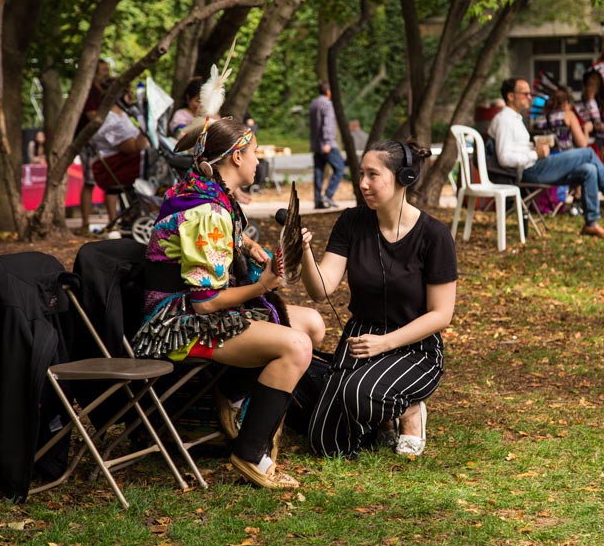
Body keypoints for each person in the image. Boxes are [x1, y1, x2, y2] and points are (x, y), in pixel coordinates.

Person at [131, 117, 324, 489]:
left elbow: (227, 250)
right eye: (254, 154)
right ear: (236, 157)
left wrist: (256, 250)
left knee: (312, 324)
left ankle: (234, 393)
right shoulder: (208, 211)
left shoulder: (208, 192)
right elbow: (205, 303)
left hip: (195, 309)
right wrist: (262, 285)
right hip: (176, 322)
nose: (257, 162)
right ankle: (250, 453)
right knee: (297, 346)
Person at [301, 140, 457, 458]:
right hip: (361, 340)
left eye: (373, 175)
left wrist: (386, 343)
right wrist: (303, 251)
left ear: (405, 178)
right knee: (324, 443)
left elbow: (441, 315)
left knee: (357, 392)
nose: (363, 184)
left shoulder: (434, 235)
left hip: (416, 346)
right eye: (360, 174)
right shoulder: (351, 222)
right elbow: (321, 289)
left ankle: (410, 411)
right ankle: (379, 416)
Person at [490, 78, 604, 240]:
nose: (530, 97)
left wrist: (533, 148)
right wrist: (535, 154)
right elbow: (504, 158)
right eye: (525, 94)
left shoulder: (515, 119)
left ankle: (591, 224)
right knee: (587, 153)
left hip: (534, 166)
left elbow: (516, 149)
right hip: (530, 170)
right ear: (510, 96)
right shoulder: (504, 120)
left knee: (589, 170)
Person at [89, 80, 149, 223]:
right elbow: (134, 147)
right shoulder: (111, 121)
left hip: (123, 162)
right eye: (129, 93)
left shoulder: (121, 116)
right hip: (114, 167)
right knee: (155, 163)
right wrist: (145, 126)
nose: (132, 96)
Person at [77, 59, 111, 232]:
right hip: (90, 142)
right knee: (90, 182)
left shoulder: (103, 91)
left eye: (106, 70)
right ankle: (85, 224)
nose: (106, 73)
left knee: (110, 181)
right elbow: (92, 116)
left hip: (103, 141)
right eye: (103, 70)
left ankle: (112, 222)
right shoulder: (90, 91)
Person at [309, 80, 345, 209]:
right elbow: (327, 124)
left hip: (316, 145)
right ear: (329, 92)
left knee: (318, 172)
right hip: (327, 144)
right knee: (340, 168)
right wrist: (328, 142)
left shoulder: (314, 104)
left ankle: (318, 201)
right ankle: (328, 195)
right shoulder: (327, 104)